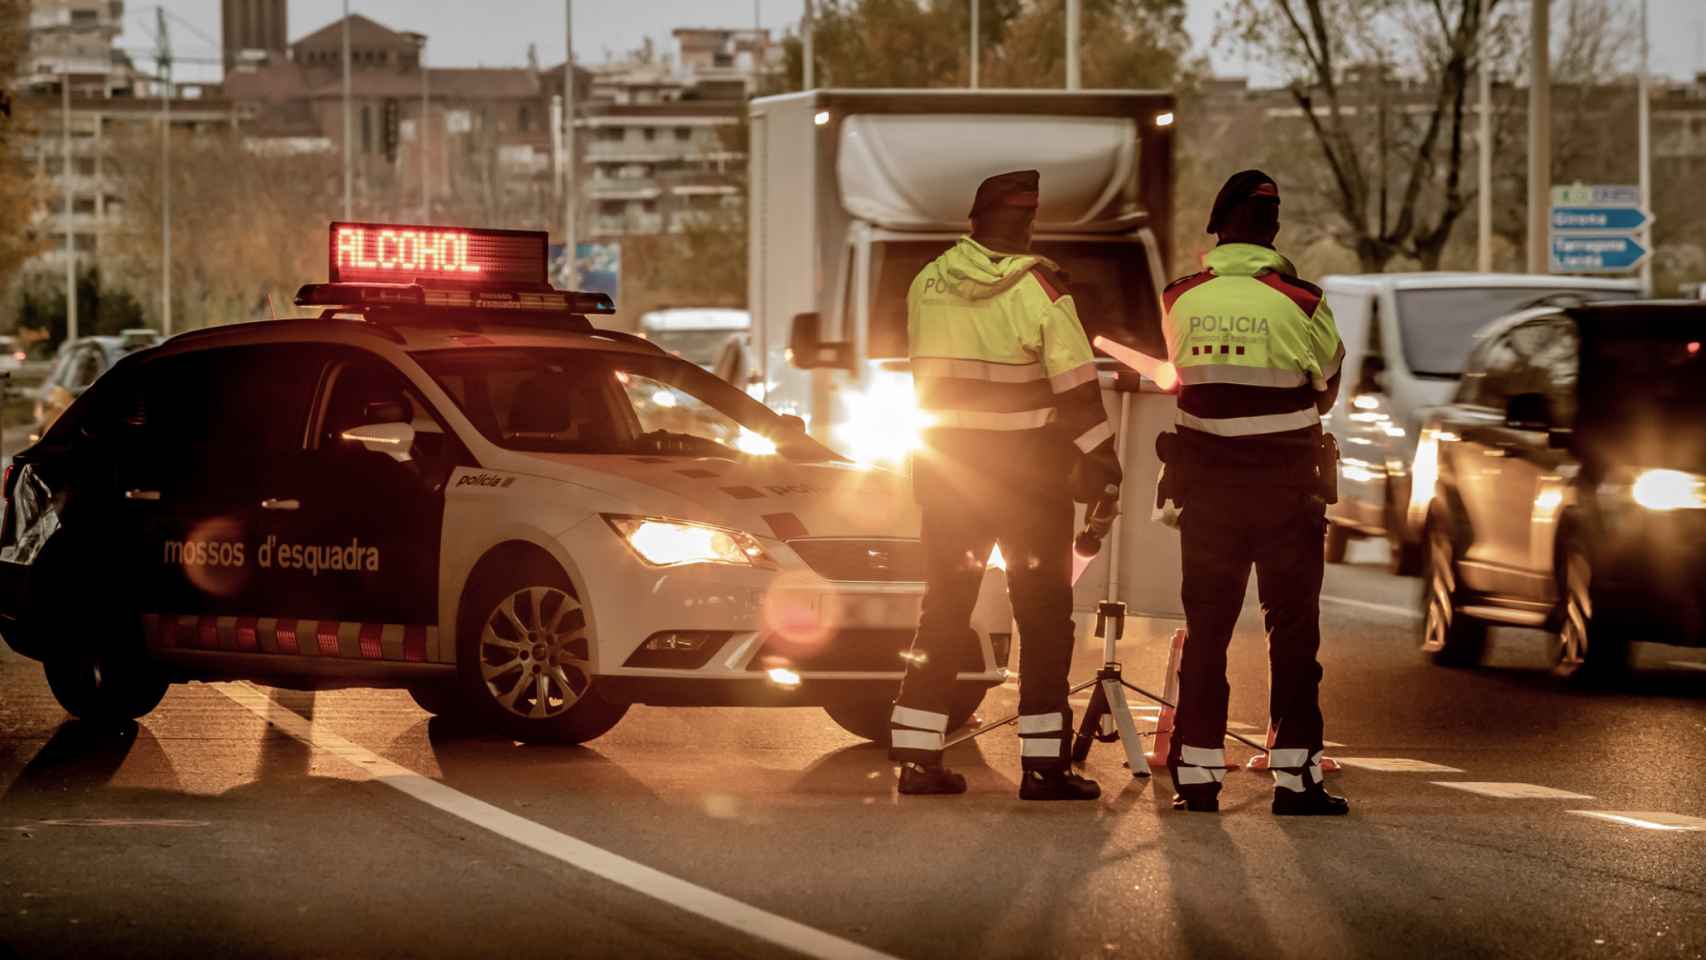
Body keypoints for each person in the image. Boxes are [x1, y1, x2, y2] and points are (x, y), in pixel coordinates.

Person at [888, 169, 1122, 801]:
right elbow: (1077, 394)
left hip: (946, 477)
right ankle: (1044, 768)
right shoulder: (1040, 291)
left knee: (943, 610)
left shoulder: (926, 283)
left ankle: (916, 758)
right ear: (1026, 226)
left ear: (972, 222)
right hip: (1026, 483)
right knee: (1043, 617)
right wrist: (1105, 465)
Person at [1160, 170, 1350, 816]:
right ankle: (1297, 782)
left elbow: (1180, 378)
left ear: (1219, 229)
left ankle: (1197, 777)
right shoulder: (1302, 299)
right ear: (1272, 229)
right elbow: (1326, 385)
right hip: (1286, 494)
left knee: (1207, 632)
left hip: (1208, 494)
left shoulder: (1178, 298)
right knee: (1293, 633)